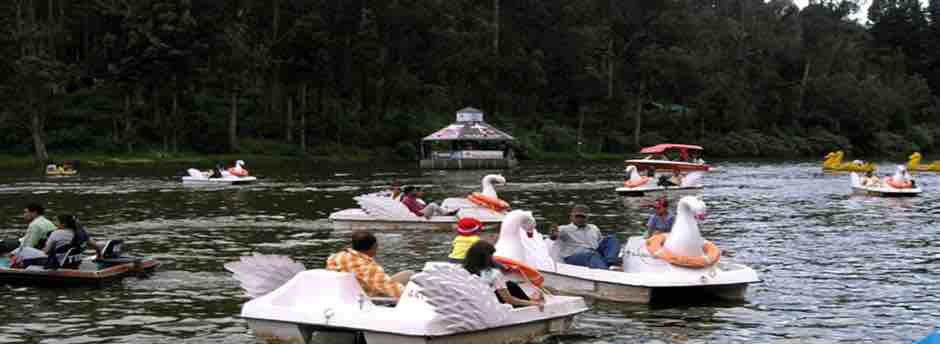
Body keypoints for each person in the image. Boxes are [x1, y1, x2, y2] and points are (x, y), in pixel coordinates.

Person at [326, 231, 413, 299]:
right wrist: (411, 295)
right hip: (367, 298)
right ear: (373, 247)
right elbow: (390, 288)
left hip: (344, 293)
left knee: (405, 275)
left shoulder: (335, 257)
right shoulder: (367, 267)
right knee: (409, 276)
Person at [462, 241, 544, 310]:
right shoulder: (492, 274)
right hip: (491, 306)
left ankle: (530, 299)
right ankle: (531, 301)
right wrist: (534, 304)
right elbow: (509, 299)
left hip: (475, 303)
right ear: (487, 257)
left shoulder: (463, 270)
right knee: (511, 285)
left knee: (509, 285)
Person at [555, 205, 621, 269]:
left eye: (583, 217)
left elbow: (600, 242)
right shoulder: (564, 229)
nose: (580, 219)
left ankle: (608, 262)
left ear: (587, 217)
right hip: (574, 256)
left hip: (594, 253)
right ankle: (606, 272)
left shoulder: (593, 228)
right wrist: (554, 234)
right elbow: (555, 235)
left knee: (612, 239)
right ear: (571, 217)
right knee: (590, 256)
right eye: (577, 216)